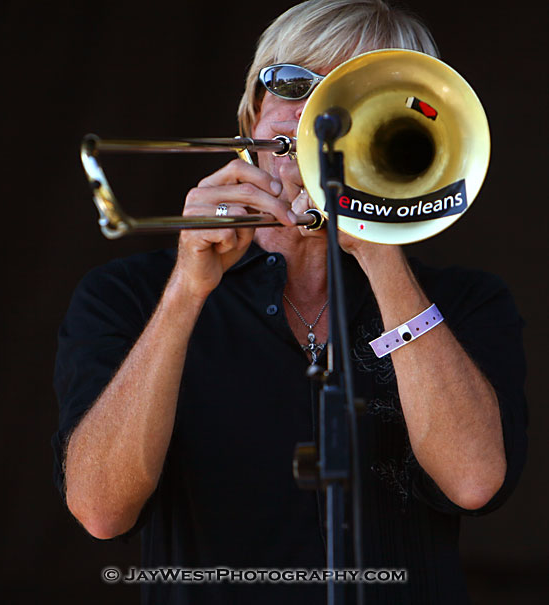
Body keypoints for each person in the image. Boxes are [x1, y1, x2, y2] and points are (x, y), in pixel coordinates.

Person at [52, 1, 527, 603]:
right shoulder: (125, 295)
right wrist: (185, 293)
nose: (315, 117)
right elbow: (101, 510)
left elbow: (474, 482)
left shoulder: (467, 301)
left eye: (354, 96)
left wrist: (380, 254)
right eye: (294, 84)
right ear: (253, 110)